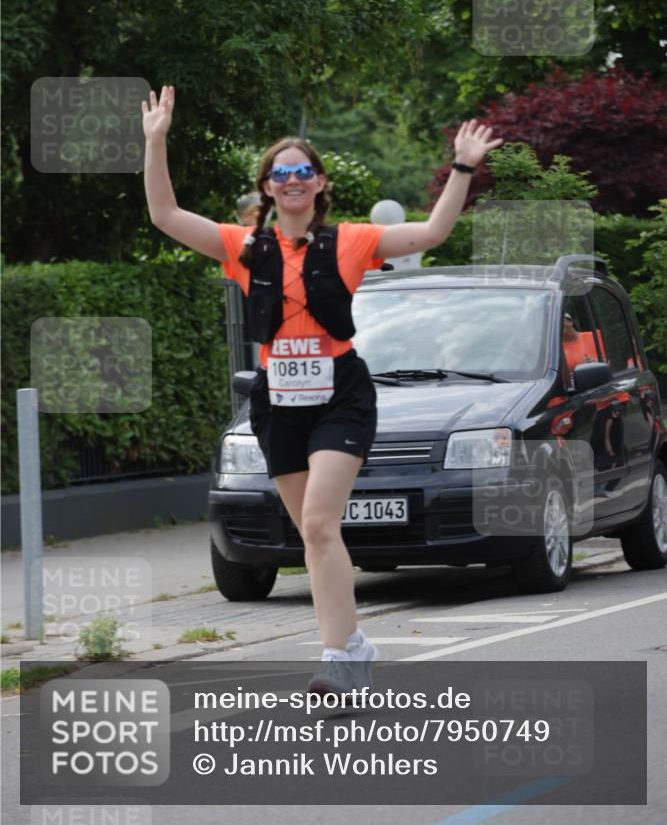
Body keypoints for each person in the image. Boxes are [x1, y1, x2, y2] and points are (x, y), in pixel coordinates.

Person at [142, 84, 503, 697]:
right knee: (315, 535)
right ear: (266, 186)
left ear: (319, 182)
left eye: (302, 171)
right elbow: (165, 216)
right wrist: (156, 143)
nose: (291, 180)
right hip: (277, 400)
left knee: (316, 521)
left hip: (340, 393)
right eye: (280, 173)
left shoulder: (353, 241)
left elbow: (433, 233)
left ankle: (337, 657)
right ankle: (354, 646)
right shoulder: (244, 246)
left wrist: (464, 166)